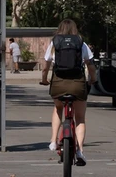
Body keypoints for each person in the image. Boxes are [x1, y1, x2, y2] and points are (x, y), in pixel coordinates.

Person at [38, 19, 97, 167]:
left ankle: (53, 141)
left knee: (58, 108)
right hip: (78, 84)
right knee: (80, 117)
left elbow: (45, 67)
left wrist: (44, 80)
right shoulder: (81, 43)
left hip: (59, 83)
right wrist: (93, 80)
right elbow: (90, 66)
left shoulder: (54, 43)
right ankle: (80, 151)